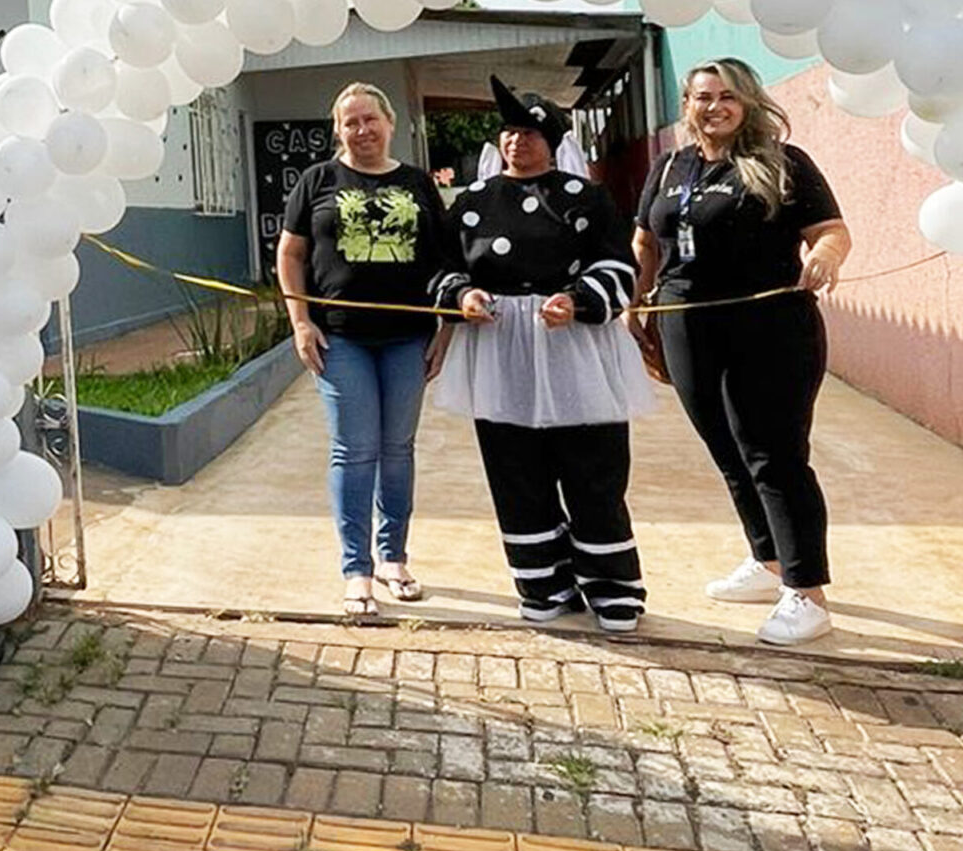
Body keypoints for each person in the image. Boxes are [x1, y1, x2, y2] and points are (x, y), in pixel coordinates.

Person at [631, 57, 851, 646]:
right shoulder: (671, 165)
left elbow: (831, 230)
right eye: (705, 97)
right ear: (688, 104)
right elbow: (646, 240)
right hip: (686, 324)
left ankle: (807, 593)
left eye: (729, 96)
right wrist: (638, 306)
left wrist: (824, 257)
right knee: (727, 450)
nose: (716, 106)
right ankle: (768, 561)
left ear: (748, 102)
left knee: (773, 455)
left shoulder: (783, 164)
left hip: (770, 326)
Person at [431, 77, 655, 633]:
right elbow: (443, 266)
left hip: (573, 347)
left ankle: (611, 588)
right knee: (515, 470)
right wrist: (463, 295)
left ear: (551, 141)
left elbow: (619, 267)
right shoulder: (472, 203)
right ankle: (543, 583)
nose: (516, 143)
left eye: (529, 133)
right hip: (501, 348)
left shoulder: (587, 199)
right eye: (509, 133)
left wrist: (578, 301)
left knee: (594, 468)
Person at [277, 82, 451, 617]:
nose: (362, 130)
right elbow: (291, 253)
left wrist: (444, 331)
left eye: (369, 119)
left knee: (397, 448)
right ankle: (356, 569)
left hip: (408, 338)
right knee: (354, 449)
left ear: (389, 123)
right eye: (350, 122)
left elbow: (446, 261)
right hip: (341, 337)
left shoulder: (417, 183)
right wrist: (301, 322)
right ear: (338, 130)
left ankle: (392, 558)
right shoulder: (317, 181)